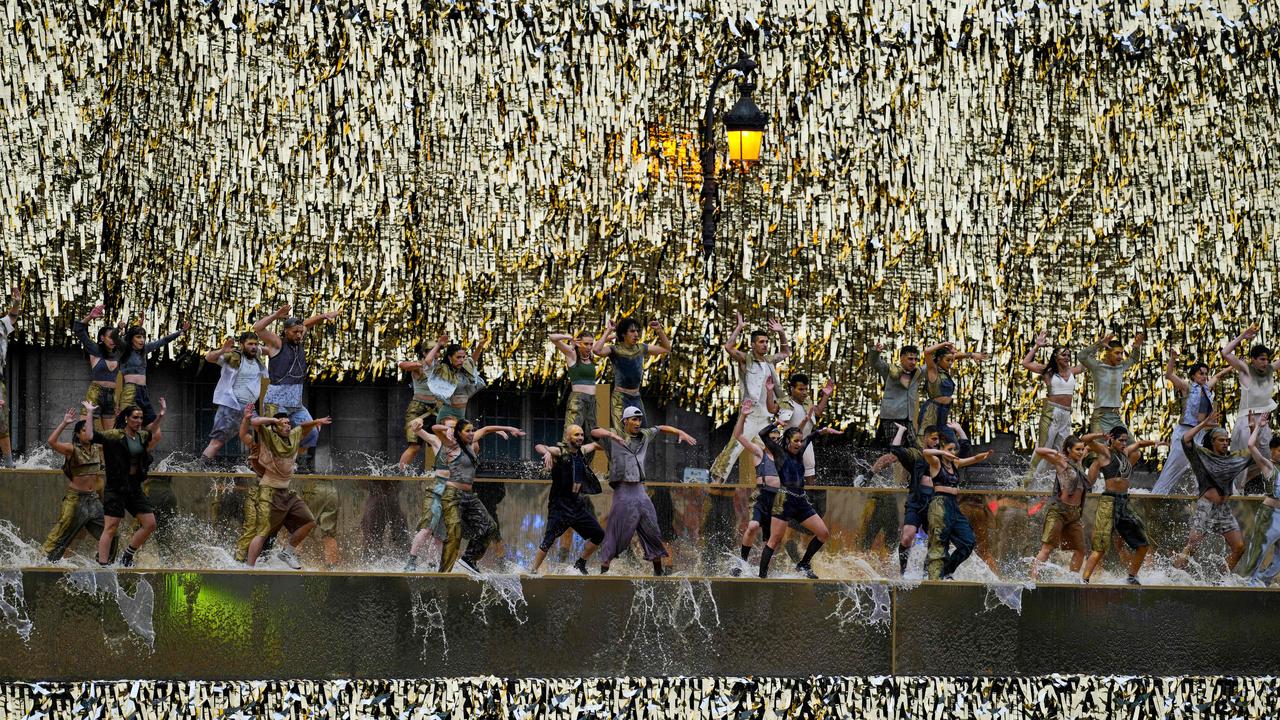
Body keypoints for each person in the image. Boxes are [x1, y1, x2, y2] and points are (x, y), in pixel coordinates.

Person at [590, 406, 696, 575]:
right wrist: (610, 435)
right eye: (634, 419)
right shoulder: (613, 436)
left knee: (652, 527)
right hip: (623, 490)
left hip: (640, 490)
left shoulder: (644, 435)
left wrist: (679, 432)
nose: (638, 423)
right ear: (625, 421)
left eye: (639, 419)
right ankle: (604, 569)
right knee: (617, 529)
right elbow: (594, 431)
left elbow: (660, 428)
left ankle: (658, 570)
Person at [252, 304, 340, 472]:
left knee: (312, 433)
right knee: (274, 439)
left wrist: (323, 316)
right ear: (286, 331)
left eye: (301, 332)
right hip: (277, 403)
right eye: (295, 332)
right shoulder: (277, 344)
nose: (300, 335)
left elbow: (307, 324)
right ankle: (267, 467)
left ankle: (291, 462)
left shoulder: (298, 337)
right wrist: (277, 314)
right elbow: (258, 328)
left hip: (296, 403)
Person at [244, 411, 333, 568]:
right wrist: (273, 420)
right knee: (263, 533)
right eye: (282, 423)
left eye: (287, 423)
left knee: (309, 522)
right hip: (268, 492)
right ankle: (248, 568)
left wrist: (316, 421)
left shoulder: (293, 436)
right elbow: (256, 422)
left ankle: (287, 552)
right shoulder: (268, 435)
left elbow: (302, 427)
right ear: (275, 427)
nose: (286, 425)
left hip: (286, 493)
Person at [436, 418, 525, 574]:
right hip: (453, 496)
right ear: (458, 433)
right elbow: (435, 428)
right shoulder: (451, 445)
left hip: (469, 495)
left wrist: (510, 427)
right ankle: (444, 573)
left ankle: (469, 558)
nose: (471, 434)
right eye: (467, 431)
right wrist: (446, 430)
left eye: (472, 430)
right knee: (454, 534)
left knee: (490, 527)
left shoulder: (471, 443)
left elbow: (487, 428)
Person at [755, 419, 841, 579]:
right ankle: (762, 577)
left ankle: (803, 564)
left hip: (801, 501)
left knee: (823, 533)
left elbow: (811, 437)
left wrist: (823, 431)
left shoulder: (800, 451)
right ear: (787, 441)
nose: (799, 444)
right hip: (784, 501)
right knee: (774, 540)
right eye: (796, 441)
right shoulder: (779, 452)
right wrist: (776, 423)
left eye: (800, 441)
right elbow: (762, 434)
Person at [709, 313, 789, 483]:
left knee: (770, 452)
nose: (765, 345)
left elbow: (785, 352)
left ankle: (772, 484)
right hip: (750, 415)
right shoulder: (746, 359)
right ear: (753, 345)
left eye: (767, 342)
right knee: (736, 446)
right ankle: (716, 480)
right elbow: (729, 347)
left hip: (766, 416)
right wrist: (739, 327)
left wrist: (781, 332)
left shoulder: (769, 361)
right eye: (761, 342)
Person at [1173, 410, 1252, 572]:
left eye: (1227, 440)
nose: (1225, 443)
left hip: (1223, 510)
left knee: (1239, 547)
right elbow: (1186, 439)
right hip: (1205, 508)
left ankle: (1221, 579)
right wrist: (1203, 424)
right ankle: (1173, 577)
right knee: (1191, 548)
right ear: (1212, 441)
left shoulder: (1231, 459)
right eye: (1221, 440)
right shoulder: (1202, 455)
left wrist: (1253, 429)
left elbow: (1252, 451)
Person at [1080, 426, 1160, 584]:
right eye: (1120, 440)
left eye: (1125, 440)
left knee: (1143, 544)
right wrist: (1101, 435)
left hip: (1124, 502)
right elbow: (1085, 440)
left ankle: (1132, 577)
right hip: (1108, 502)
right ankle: (1084, 580)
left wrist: (1155, 442)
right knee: (1100, 548)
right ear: (1112, 439)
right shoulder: (1105, 452)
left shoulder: (1125, 453)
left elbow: (1138, 444)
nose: (1124, 443)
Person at [92, 401, 165, 567]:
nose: (139, 421)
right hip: (116, 487)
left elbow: (153, 432)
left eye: (141, 418)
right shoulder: (114, 435)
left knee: (150, 523)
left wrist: (160, 416)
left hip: (133, 486)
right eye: (135, 418)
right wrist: (90, 414)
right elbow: (92, 436)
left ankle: (127, 556)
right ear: (126, 419)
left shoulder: (141, 436)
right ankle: (103, 565)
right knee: (111, 527)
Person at [1151, 350, 1231, 494]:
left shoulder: (1206, 389)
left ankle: (1201, 497)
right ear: (1193, 375)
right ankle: (1157, 494)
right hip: (1184, 431)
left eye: (1206, 373)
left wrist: (1235, 365)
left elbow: (1219, 375)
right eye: (1201, 373)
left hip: (1199, 433)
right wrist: (1173, 359)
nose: (1205, 376)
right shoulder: (1187, 387)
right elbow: (1169, 375)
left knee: (1200, 466)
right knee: (1173, 466)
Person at [530, 425, 606, 574]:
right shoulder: (560, 452)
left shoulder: (582, 451)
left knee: (599, 534)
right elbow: (539, 446)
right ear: (568, 437)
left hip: (577, 505)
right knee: (548, 540)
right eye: (576, 435)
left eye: (582, 435)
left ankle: (580, 563)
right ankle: (532, 571)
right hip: (560, 506)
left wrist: (612, 440)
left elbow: (597, 445)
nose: (580, 438)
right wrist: (546, 453)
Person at [868, 423, 943, 575]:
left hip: (935, 503)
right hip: (916, 501)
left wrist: (958, 431)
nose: (936, 442)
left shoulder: (944, 456)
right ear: (925, 439)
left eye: (938, 439)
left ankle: (926, 571)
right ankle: (902, 571)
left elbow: (963, 452)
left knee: (935, 538)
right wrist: (901, 431)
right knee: (907, 536)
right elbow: (894, 451)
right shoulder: (916, 455)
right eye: (933, 439)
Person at [41, 405, 107, 562]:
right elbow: (51, 441)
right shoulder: (72, 449)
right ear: (78, 434)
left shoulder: (98, 449)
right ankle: (42, 562)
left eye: (88, 429)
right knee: (60, 534)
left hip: (93, 499)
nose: (87, 432)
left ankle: (104, 562)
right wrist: (64, 423)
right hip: (76, 499)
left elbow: (114, 439)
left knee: (110, 533)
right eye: (83, 430)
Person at [1022, 331, 1087, 486]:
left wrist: (1096, 346)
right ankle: (1027, 483)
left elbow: (1086, 362)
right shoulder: (1048, 372)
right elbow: (1025, 363)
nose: (1067, 357)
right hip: (1051, 412)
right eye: (1063, 355)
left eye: (1069, 355)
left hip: (1066, 414)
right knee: (1044, 447)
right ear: (1056, 357)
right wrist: (1037, 345)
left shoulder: (1072, 371)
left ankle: (1056, 483)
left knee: (1065, 449)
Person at [726, 398, 782, 576]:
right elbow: (738, 436)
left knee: (770, 538)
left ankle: (763, 571)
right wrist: (743, 415)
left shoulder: (784, 456)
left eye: (776, 439)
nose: (774, 442)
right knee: (752, 526)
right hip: (762, 495)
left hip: (778, 498)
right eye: (771, 439)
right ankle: (741, 562)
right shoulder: (759, 452)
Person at [923, 439, 994, 580]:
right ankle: (934, 577)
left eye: (954, 450)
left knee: (968, 541)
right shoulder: (936, 463)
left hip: (954, 505)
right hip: (940, 503)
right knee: (939, 541)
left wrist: (984, 456)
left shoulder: (955, 464)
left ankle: (946, 571)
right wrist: (942, 452)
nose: (953, 452)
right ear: (943, 450)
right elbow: (926, 452)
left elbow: (973, 459)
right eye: (950, 449)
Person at [1221, 326, 1280, 493]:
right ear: (1253, 360)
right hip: (1246, 422)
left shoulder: (1269, 370)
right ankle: (1235, 494)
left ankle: (1264, 493)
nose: (1265, 362)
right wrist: (1242, 337)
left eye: (1267, 359)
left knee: (1269, 460)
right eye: (1261, 359)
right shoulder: (1246, 370)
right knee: (1241, 463)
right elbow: (1225, 353)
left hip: (1263, 423)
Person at [1030, 434, 1094, 580]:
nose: (1080, 452)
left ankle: (1072, 579)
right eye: (1077, 449)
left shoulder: (1079, 461)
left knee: (1080, 550)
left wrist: (1103, 437)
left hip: (1075, 514)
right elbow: (1039, 451)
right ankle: (1033, 580)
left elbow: (1090, 444)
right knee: (1047, 548)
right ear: (1069, 450)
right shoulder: (1061, 462)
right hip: (1059, 511)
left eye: (1081, 449)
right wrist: (1057, 453)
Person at [592, 317, 672, 430]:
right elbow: (596, 350)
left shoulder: (641, 348)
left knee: (642, 430)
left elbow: (666, 348)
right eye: (632, 331)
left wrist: (659, 330)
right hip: (620, 398)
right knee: (621, 432)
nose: (636, 334)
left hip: (636, 397)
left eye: (637, 331)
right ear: (623, 334)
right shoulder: (614, 349)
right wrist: (609, 331)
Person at [200, 332, 269, 462]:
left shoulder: (257, 357)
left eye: (255, 344)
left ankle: (256, 467)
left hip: (249, 408)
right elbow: (209, 357)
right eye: (250, 344)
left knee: (262, 436)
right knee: (217, 442)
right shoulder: (233, 357)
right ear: (242, 345)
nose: (253, 347)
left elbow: (272, 348)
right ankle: (200, 468)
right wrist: (222, 350)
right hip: (232, 405)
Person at [403, 416, 456, 571]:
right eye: (448, 427)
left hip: (452, 492)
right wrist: (417, 421)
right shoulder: (436, 440)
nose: (451, 431)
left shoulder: (460, 445)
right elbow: (416, 430)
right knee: (427, 529)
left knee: (440, 535)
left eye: (454, 427)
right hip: (437, 489)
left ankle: (432, 564)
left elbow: (479, 434)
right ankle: (411, 561)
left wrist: (502, 430)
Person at [114, 315, 188, 427]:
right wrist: (118, 328)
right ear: (131, 338)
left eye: (143, 337)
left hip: (143, 391)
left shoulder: (145, 350)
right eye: (138, 337)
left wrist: (180, 332)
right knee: (127, 427)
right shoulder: (125, 349)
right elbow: (115, 337)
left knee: (153, 427)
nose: (142, 340)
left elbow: (163, 340)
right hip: (130, 391)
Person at [1078, 332, 1145, 433]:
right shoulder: (1097, 366)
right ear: (1108, 352)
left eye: (1121, 353)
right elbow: (1081, 356)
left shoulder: (1120, 367)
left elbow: (1133, 358)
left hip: (1115, 416)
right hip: (1100, 416)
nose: (1120, 357)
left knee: (1130, 447)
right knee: (1100, 447)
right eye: (1117, 353)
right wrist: (1099, 344)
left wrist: (1136, 347)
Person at [1240, 418, 1280, 587]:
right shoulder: (1269, 466)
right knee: (1258, 553)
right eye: (1278, 450)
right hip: (1269, 515)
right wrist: (1256, 427)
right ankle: (1249, 584)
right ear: (1272, 452)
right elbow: (1250, 446)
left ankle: (1263, 580)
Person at [397, 337, 446, 470]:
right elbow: (402, 365)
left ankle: (441, 472)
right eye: (433, 350)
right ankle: (400, 474)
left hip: (436, 408)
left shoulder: (441, 367)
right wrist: (422, 364)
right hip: (418, 408)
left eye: (438, 351)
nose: (437, 353)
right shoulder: (419, 367)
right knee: (414, 446)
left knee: (443, 442)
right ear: (424, 353)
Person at [918, 342, 987, 436]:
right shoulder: (933, 370)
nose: (951, 363)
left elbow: (955, 356)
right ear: (939, 359)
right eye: (948, 360)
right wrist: (944, 344)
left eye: (952, 361)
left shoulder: (945, 372)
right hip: (931, 412)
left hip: (944, 411)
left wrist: (972, 354)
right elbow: (927, 352)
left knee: (951, 442)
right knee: (926, 441)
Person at [71, 304, 120, 434]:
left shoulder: (118, 353)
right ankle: (79, 453)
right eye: (110, 337)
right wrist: (90, 317)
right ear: (102, 338)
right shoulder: (95, 349)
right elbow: (78, 329)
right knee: (84, 428)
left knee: (110, 435)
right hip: (96, 392)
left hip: (111, 395)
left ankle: (106, 455)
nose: (113, 341)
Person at [550, 330, 601, 437]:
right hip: (578, 399)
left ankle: (586, 453)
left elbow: (603, 342)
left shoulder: (590, 355)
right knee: (572, 430)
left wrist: (610, 330)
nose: (589, 347)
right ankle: (566, 453)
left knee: (592, 433)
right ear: (578, 343)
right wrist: (569, 337)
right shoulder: (572, 353)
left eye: (591, 344)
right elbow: (552, 337)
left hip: (592, 400)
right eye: (586, 344)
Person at [426, 338, 490, 424]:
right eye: (458, 357)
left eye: (463, 357)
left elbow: (472, 361)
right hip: (448, 413)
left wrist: (480, 346)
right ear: (450, 357)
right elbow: (428, 360)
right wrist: (438, 345)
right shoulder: (443, 370)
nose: (462, 360)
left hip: (461, 413)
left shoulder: (465, 369)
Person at [0, 287, 19, 467]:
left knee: (1, 423)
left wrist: (17, 301)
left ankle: (8, 464)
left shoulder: (1, 325)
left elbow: (12, 316)